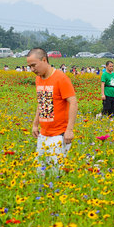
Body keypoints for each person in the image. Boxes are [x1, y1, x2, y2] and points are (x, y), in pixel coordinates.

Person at [27, 47, 77, 175]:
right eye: (30, 67)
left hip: (59, 135)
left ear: (44, 60)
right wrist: (35, 124)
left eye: (34, 65)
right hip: (43, 134)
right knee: (40, 172)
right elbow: (41, 102)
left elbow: (73, 102)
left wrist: (69, 130)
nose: (32, 69)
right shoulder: (39, 78)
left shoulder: (61, 77)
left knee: (56, 174)